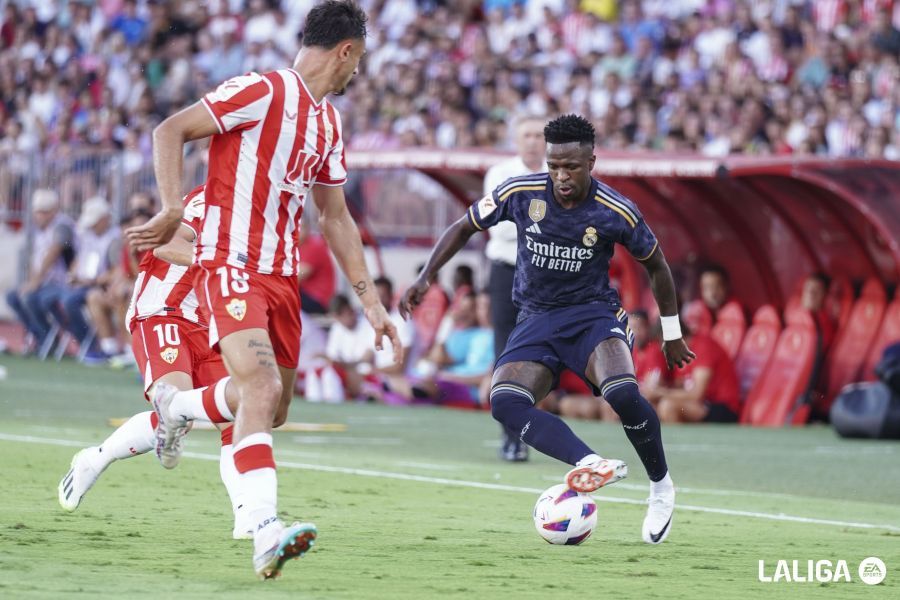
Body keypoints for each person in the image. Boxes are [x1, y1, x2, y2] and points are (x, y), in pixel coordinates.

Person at [126, 1, 400, 580]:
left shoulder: (328, 123)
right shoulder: (261, 90)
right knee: (260, 385)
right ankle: (263, 529)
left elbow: (334, 216)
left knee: (272, 408)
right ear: (346, 51)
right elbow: (170, 130)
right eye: (359, 60)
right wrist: (173, 208)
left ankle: (179, 407)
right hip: (230, 264)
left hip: (282, 279)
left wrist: (371, 302)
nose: (358, 71)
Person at [401, 114, 694, 545]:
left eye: (571, 167)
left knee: (621, 393)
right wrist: (426, 276)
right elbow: (464, 226)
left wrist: (671, 333)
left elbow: (657, 265)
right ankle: (589, 462)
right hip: (536, 318)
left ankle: (661, 487)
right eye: (554, 166)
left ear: (591, 162)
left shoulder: (616, 210)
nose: (561, 176)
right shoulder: (519, 192)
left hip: (592, 315)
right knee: (504, 401)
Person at [57, 187, 251, 537]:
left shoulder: (266, 214)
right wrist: (219, 263)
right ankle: (96, 459)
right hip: (164, 310)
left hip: (208, 323)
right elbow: (163, 243)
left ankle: (247, 521)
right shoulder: (213, 197)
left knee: (238, 420)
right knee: (177, 408)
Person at [484, 113, 545, 462]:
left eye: (539, 135)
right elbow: (499, 227)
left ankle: (529, 429)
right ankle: (512, 435)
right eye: (527, 135)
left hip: (544, 275)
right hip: (507, 272)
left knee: (537, 354)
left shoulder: (559, 174)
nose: (533, 141)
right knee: (505, 352)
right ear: (517, 140)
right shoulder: (500, 174)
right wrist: (546, 227)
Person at [5, 189, 75, 351]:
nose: (40, 216)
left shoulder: (62, 225)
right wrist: (32, 280)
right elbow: (35, 258)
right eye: (38, 212)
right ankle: (40, 336)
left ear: (54, 210)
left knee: (30, 298)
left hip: (63, 282)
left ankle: (48, 339)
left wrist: (35, 282)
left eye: (44, 212)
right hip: (45, 282)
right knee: (13, 297)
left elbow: (53, 252)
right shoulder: (38, 228)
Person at [683, 264, 744, 334]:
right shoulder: (696, 313)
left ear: (726, 287)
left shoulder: (735, 314)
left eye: (717, 287)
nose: (712, 294)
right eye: (706, 287)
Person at [297, 218, 336, 315]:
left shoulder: (313, 245)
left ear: (307, 229)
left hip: (318, 299)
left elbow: (297, 277)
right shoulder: (300, 246)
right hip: (307, 295)